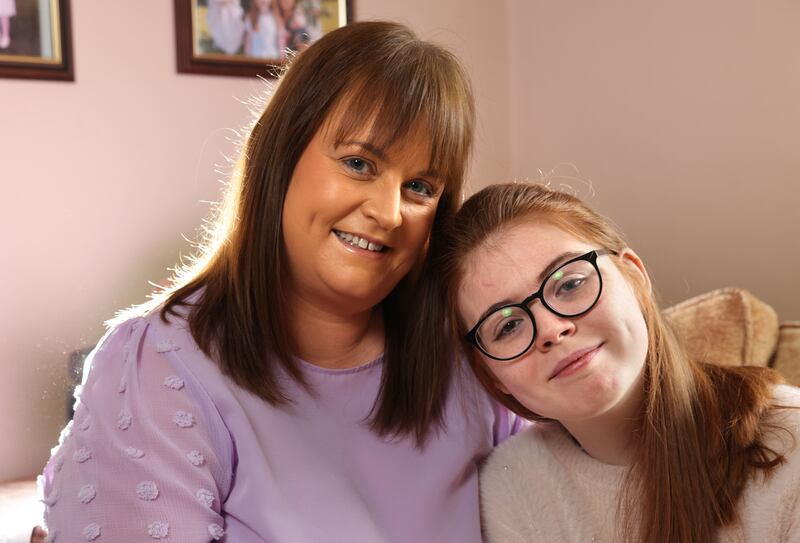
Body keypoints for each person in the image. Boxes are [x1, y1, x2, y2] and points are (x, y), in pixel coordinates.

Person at [36, 21, 521, 542]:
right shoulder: (157, 365)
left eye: (420, 188)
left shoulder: (476, 357)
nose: (388, 212)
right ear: (278, 155)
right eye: (358, 163)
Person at [428, 182, 800, 542]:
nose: (551, 330)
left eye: (570, 284)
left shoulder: (790, 442)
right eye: (507, 325)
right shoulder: (512, 487)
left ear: (635, 278)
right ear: (493, 378)